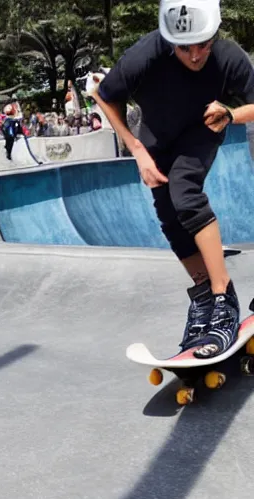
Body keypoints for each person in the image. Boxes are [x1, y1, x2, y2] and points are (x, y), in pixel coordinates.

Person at [92, 0, 254, 358]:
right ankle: (202, 297)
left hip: (201, 130)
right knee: (167, 210)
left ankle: (222, 296)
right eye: (185, 48)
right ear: (170, 41)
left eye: (203, 45)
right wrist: (135, 149)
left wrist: (230, 112)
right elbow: (104, 97)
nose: (196, 55)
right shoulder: (143, 56)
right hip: (154, 137)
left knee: (185, 191)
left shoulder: (229, 57)